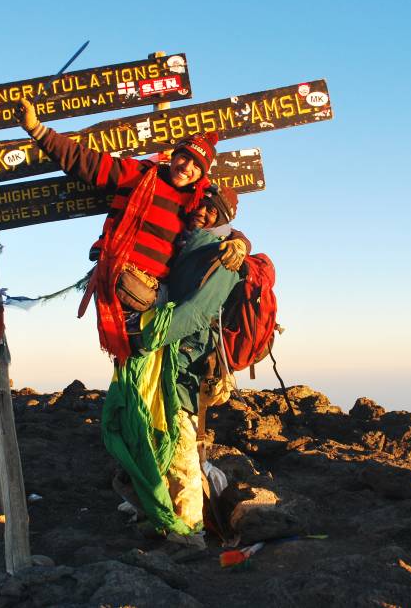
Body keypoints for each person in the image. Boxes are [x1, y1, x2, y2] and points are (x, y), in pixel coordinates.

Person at [15, 99, 243, 364]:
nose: (186, 166)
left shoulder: (199, 200)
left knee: (155, 368)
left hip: (163, 295)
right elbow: (84, 162)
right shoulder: (139, 176)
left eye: (196, 164)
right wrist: (36, 129)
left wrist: (240, 243)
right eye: (184, 156)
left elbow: (223, 228)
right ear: (174, 155)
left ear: (203, 172)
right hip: (125, 285)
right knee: (135, 363)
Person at [104, 185, 245, 554]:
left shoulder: (223, 258)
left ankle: (190, 534)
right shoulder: (182, 248)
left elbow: (197, 311)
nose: (202, 212)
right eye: (199, 205)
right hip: (164, 362)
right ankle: (161, 519)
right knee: (155, 442)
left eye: (212, 210)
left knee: (180, 449)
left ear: (223, 218)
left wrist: (145, 337)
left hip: (184, 367)